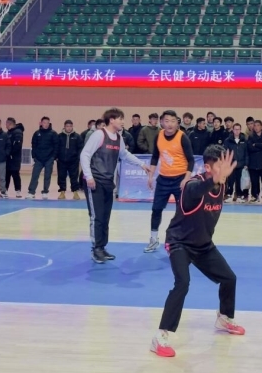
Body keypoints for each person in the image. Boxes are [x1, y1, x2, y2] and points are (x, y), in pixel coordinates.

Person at [150, 145, 245, 358]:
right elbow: (197, 190)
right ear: (207, 168)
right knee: (182, 283)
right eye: (219, 166)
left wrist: (218, 178)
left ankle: (224, 318)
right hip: (179, 243)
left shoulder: (221, 185)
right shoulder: (193, 186)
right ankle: (160, 337)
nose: (224, 171)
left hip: (203, 245)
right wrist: (214, 179)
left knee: (229, 278)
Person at [80, 108, 153, 264]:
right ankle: (96, 248)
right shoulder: (99, 135)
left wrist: (141, 164)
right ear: (111, 120)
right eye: (120, 119)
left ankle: (102, 247)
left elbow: (124, 155)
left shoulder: (118, 137)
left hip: (108, 182)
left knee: (105, 217)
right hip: (95, 181)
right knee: (97, 216)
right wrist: (89, 176)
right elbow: (85, 154)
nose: (122, 122)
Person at [145, 110, 195, 253]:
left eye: (173, 121)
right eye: (166, 121)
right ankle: (153, 239)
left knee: (183, 211)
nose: (170, 124)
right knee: (156, 209)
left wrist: (186, 179)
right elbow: (155, 156)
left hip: (180, 179)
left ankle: (185, 240)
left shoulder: (182, 137)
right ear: (161, 122)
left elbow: (191, 160)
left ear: (177, 122)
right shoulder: (159, 135)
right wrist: (150, 176)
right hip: (163, 179)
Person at [28, 116, 58, 200]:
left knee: (47, 176)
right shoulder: (37, 133)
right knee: (35, 176)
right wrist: (34, 156)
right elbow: (33, 145)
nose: (46, 124)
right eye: (44, 123)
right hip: (38, 159)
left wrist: (53, 157)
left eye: (47, 123)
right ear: (41, 123)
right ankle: (31, 192)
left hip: (49, 159)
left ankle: (45, 192)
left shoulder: (53, 134)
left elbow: (56, 146)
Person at [57, 120, 83, 200]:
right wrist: (56, 157)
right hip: (61, 160)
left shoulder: (77, 136)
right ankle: (62, 192)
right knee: (61, 176)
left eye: (70, 126)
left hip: (73, 161)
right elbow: (56, 147)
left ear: (72, 127)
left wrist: (78, 157)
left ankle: (75, 192)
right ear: (64, 127)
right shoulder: (59, 136)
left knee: (74, 177)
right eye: (67, 126)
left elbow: (80, 148)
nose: (69, 128)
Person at [246, 119, 262, 203]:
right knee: (254, 181)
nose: (256, 127)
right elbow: (250, 148)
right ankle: (254, 196)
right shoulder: (250, 136)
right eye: (255, 126)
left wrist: (256, 144)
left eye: (258, 125)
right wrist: (261, 145)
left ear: (261, 126)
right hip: (253, 163)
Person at [224, 122, 248, 203]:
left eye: (238, 129)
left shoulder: (244, 140)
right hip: (231, 165)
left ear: (240, 130)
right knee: (230, 181)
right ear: (233, 130)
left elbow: (246, 153)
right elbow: (225, 152)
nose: (237, 131)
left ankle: (239, 195)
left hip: (241, 164)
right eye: (235, 129)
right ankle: (229, 195)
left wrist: (246, 164)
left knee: (239, 181)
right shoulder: (228, 140)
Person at [5, 118, 24, 198]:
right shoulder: (8, 133)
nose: (6, 125)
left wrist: (10, 153)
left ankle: (18, 191)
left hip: (14, 158)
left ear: (9, 123)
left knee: (15, 174)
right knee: (6, 174)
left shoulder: (17, 132)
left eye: (6, 123)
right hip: (8, 158)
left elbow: (17, 146)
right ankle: (5, 191)